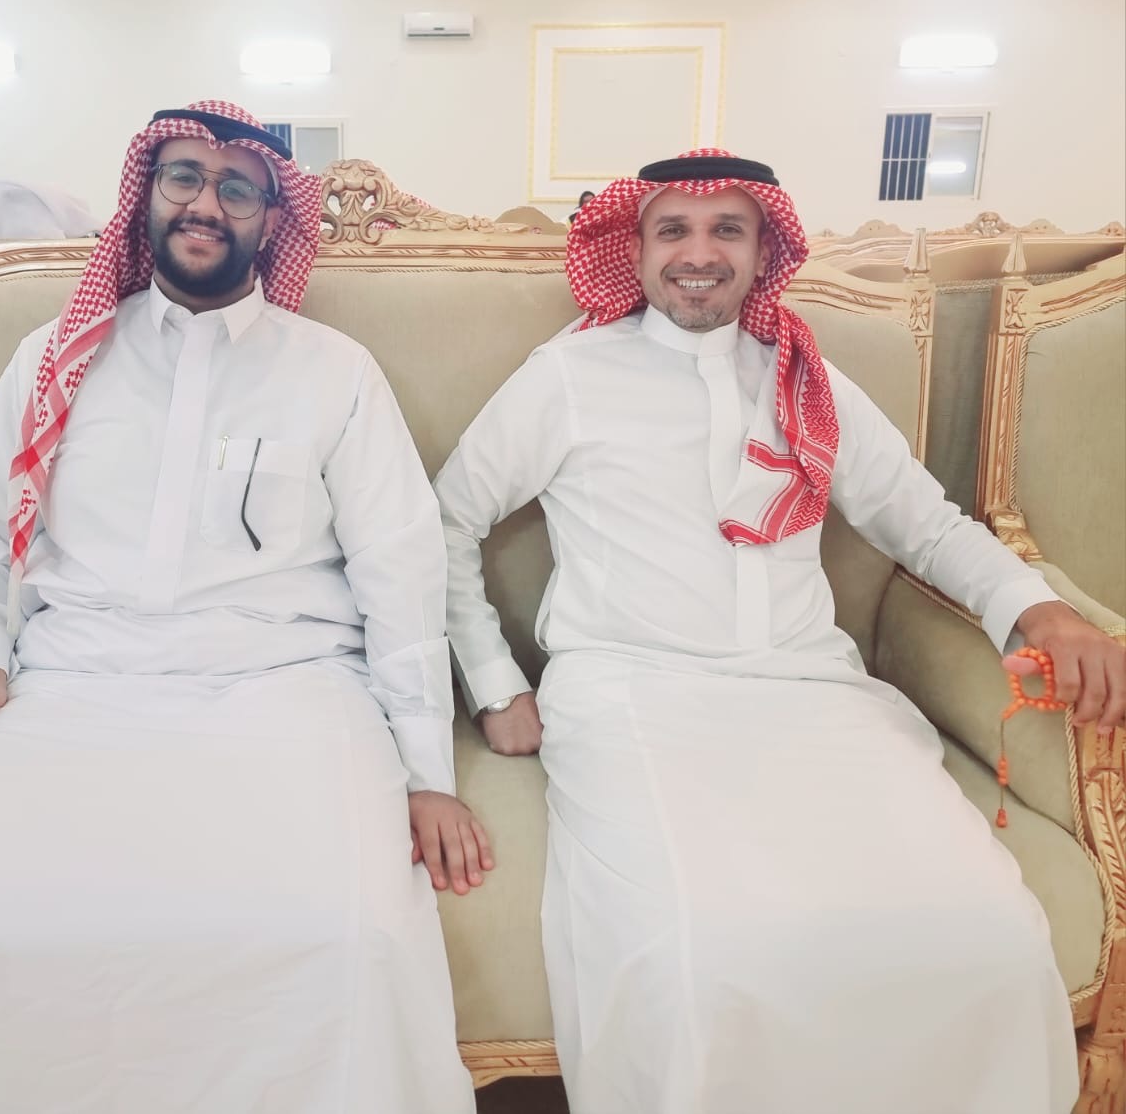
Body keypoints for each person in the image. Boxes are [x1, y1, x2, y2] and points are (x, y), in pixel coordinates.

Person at [434, 149, 1124, 1114]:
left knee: (989, 932)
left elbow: (925, 526)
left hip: (812, 697)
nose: (699, 253)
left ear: (763, 251)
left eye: (728, 229)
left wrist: (1037, 608)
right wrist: (495, 683)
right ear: (635, 250)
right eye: (673, 230)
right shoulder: (570, 377)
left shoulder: (805, 378)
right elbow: (445, 518)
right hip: (633, 697)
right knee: (705, 954)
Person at [0, 101, 485, 1114]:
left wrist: (425, 776)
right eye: (183, 177)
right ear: (145, 193)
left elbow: (400, 578)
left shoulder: (333, 373)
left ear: (271, 219)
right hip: (71, 689)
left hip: (285, 693)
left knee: (351, 935)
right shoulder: (51, 360)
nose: (206, 204)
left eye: (237, 188)